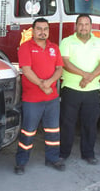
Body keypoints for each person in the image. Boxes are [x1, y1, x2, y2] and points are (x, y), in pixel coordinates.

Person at [14, 17, 65, 175]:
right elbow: (27, 71)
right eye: (39, 29)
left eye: (45, 29)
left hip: (52, 99)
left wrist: (48, 83)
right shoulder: (25, 47)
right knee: (28, 131)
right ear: (33, 30)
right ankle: (21, 162)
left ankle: (52, 158)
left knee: (53, 131)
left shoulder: (54, 48)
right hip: (32, 100)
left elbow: (59, 69)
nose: (43, 32)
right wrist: (43, 85)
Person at [59, 14, 100, 165]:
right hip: (70, 88)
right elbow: (65, 62)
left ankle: (88, 154)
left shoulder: (99, 43)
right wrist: (85, 75)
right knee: (67, 123)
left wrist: (90, 77)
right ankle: (63, 154)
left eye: (86, 24)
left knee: (90, 124)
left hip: (92, 90)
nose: (83, 27)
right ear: (76, 26)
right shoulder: (67, 41)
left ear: (91, 26)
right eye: (80, 24)